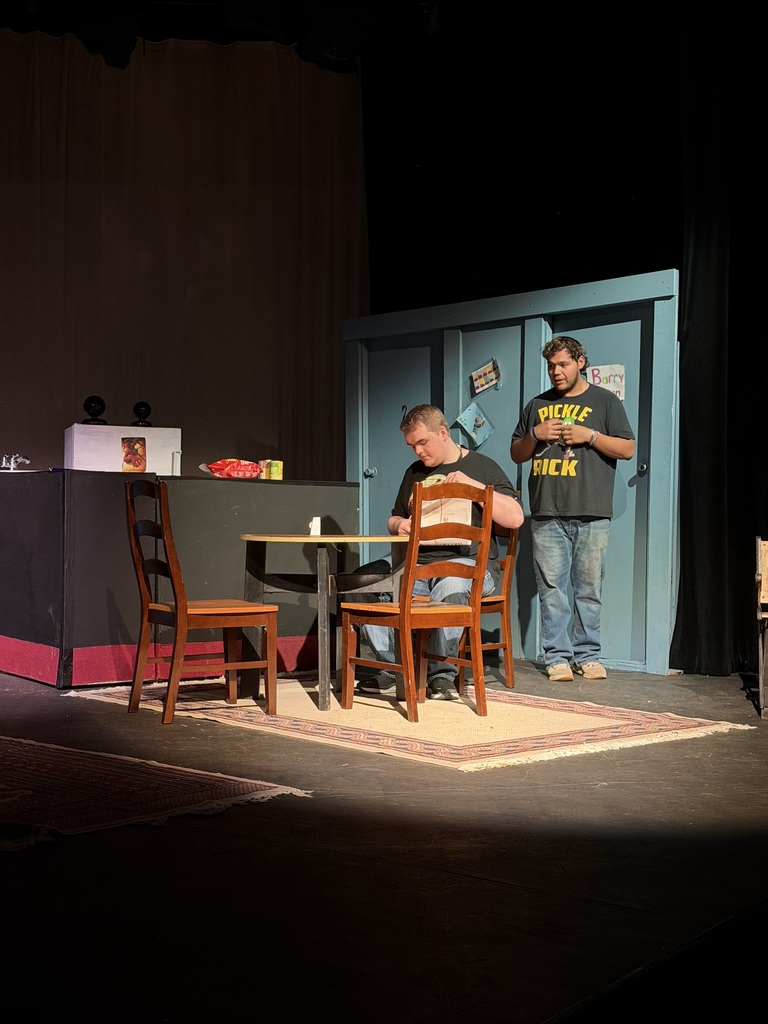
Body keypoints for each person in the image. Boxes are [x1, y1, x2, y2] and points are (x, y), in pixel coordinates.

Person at [359, 404, 524, 700]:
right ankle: (393, 667)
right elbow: (393, 516)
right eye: (412, 446)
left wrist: (472, 486)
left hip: (468, 563)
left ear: (443, 433)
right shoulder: (415, 473)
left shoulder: (482, 467)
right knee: (366, 579)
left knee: (450, 583)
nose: (418, 452)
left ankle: (440, 673)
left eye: (423, 442)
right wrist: (399, 524)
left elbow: (515, 518)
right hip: (417, 563)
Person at [510, 335, 635, 682]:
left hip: (592, 510)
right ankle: (557, 658)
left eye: (563, 364)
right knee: (552, 588)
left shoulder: (604, 400)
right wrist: (534, 434)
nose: (556, 372)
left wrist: (589, 436)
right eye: (551, 366)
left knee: (588, 587)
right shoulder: (537, 404)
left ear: (581, 361)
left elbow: (627, 449)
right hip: (547, 511)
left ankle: (588, 655)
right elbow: (517, 454)